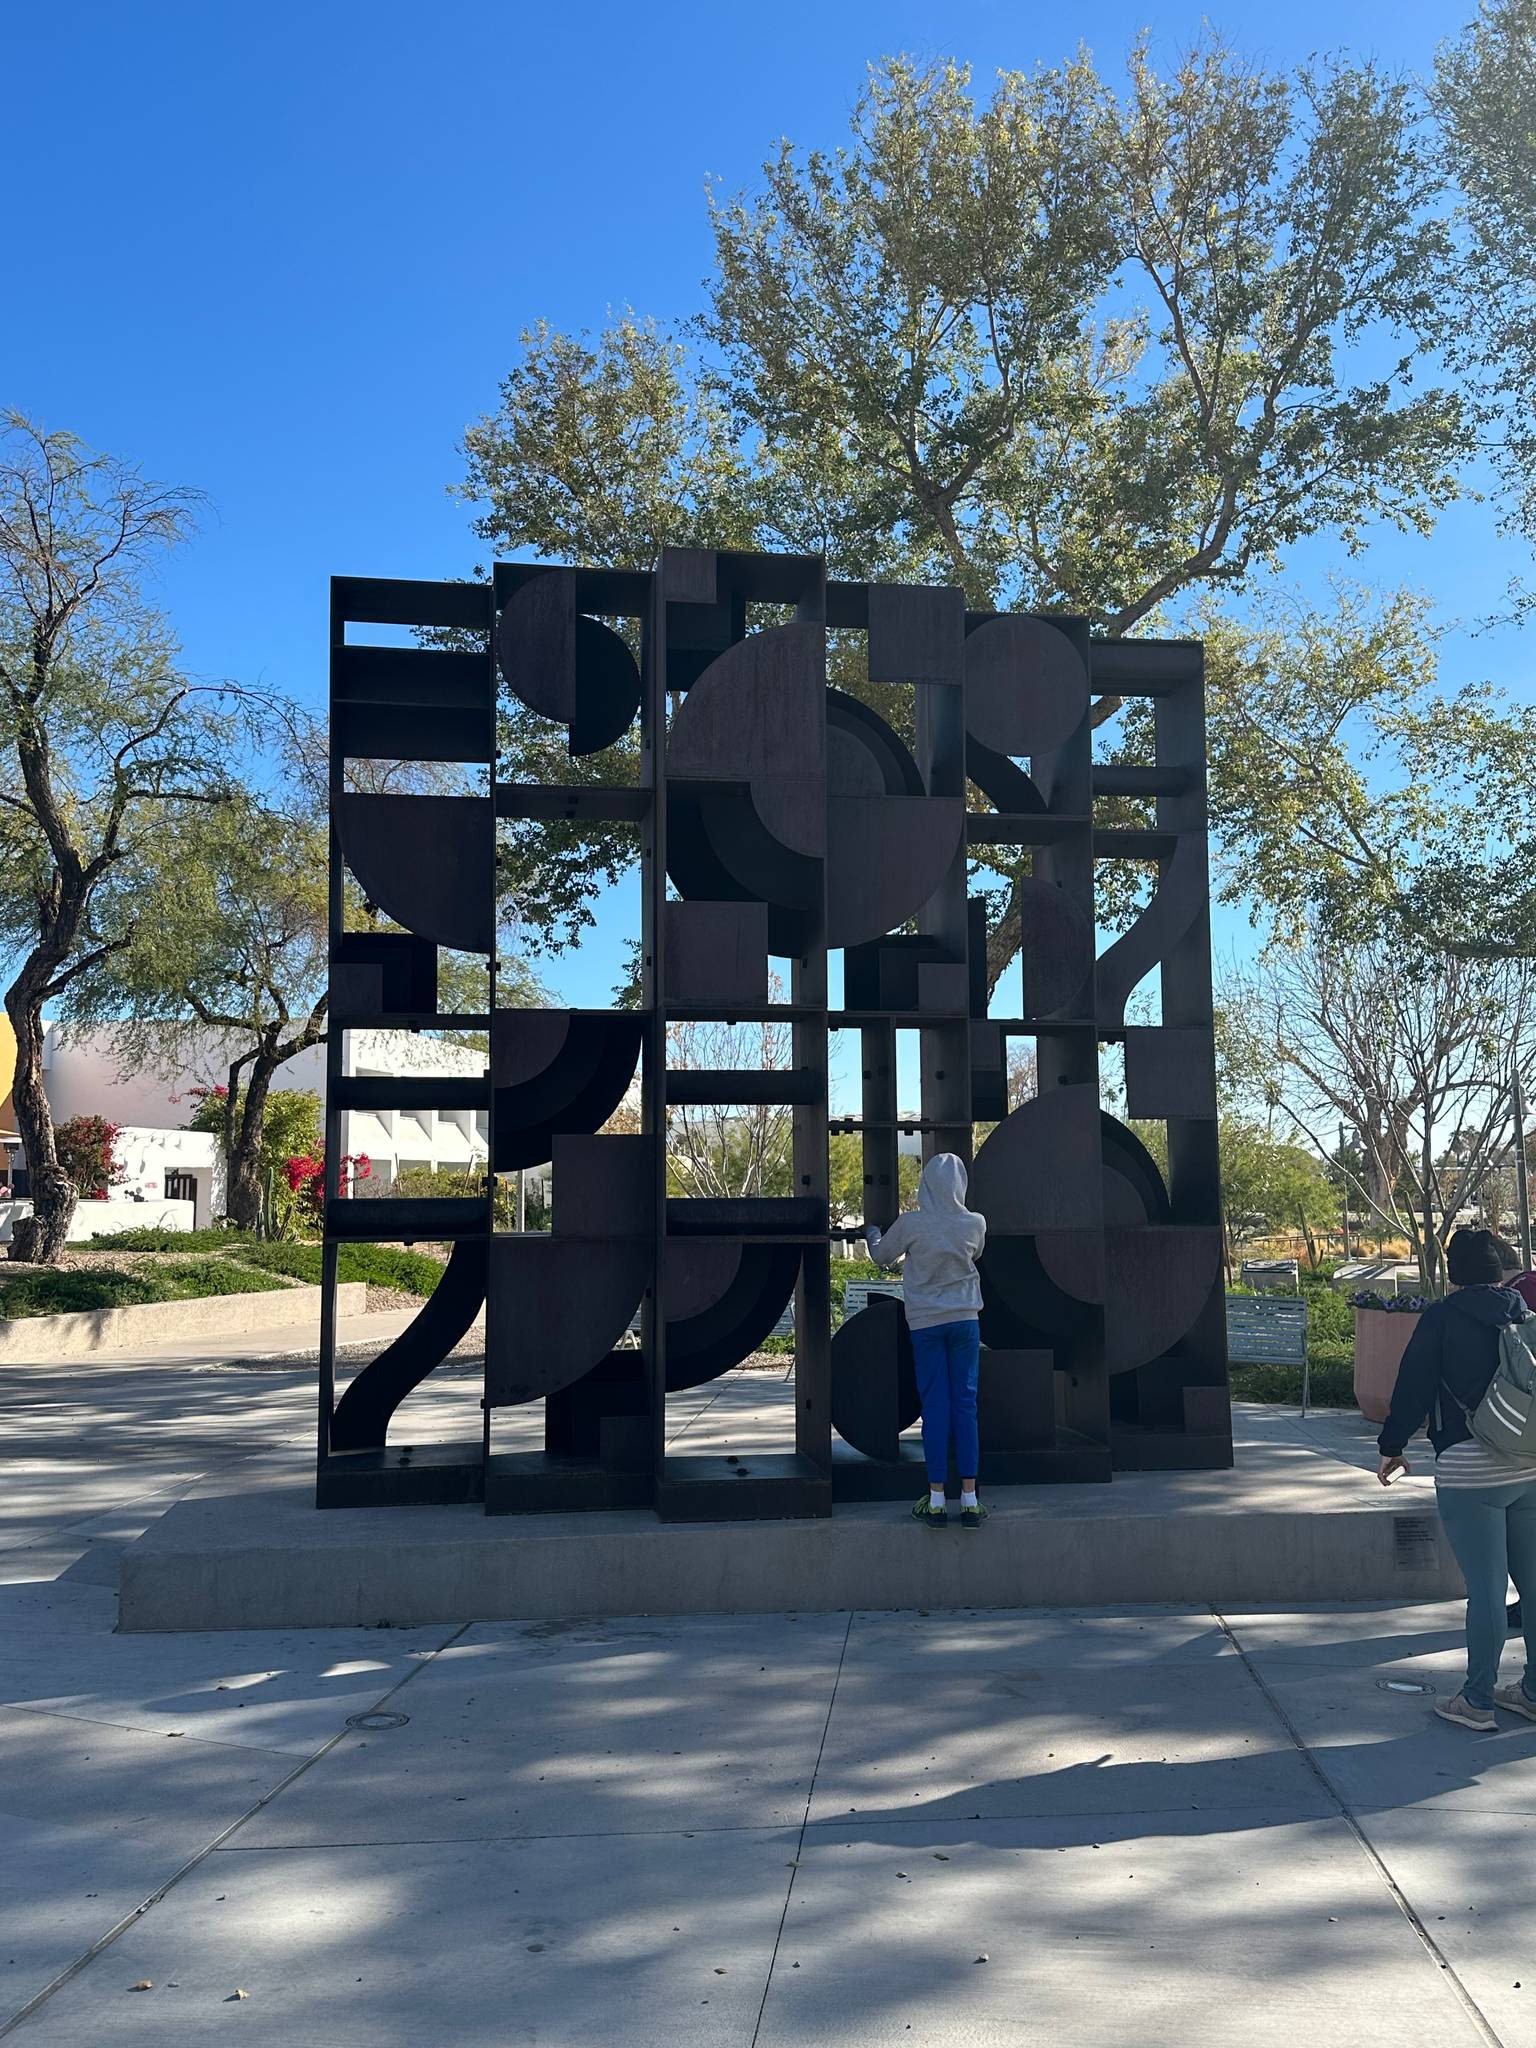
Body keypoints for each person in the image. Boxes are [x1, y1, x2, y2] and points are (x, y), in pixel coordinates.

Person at [1377, 1227, 1536, 1729]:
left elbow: (1413, 1386)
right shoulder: (1524, 1313)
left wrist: (1392, 1447)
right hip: (1530, 1464)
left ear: (1455, 1273)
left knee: (1486, 1590)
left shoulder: (1442, 1318)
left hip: (1470, 1471)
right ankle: (1532, 1692)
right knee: (1532, 1585)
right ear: (1497, 1270)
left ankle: (1477, 1700)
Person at [864, 1152, 988, 1530]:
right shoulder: (974, 1223)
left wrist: (871, 1231)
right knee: (965, 1406)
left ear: (926, 1185)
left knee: (935, 1407)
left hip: (926, 1325)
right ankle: (969, 1499)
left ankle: (935, 1500)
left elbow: (881, 1256)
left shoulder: (912, 1224)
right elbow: (976, 1253)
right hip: (966, 1321)